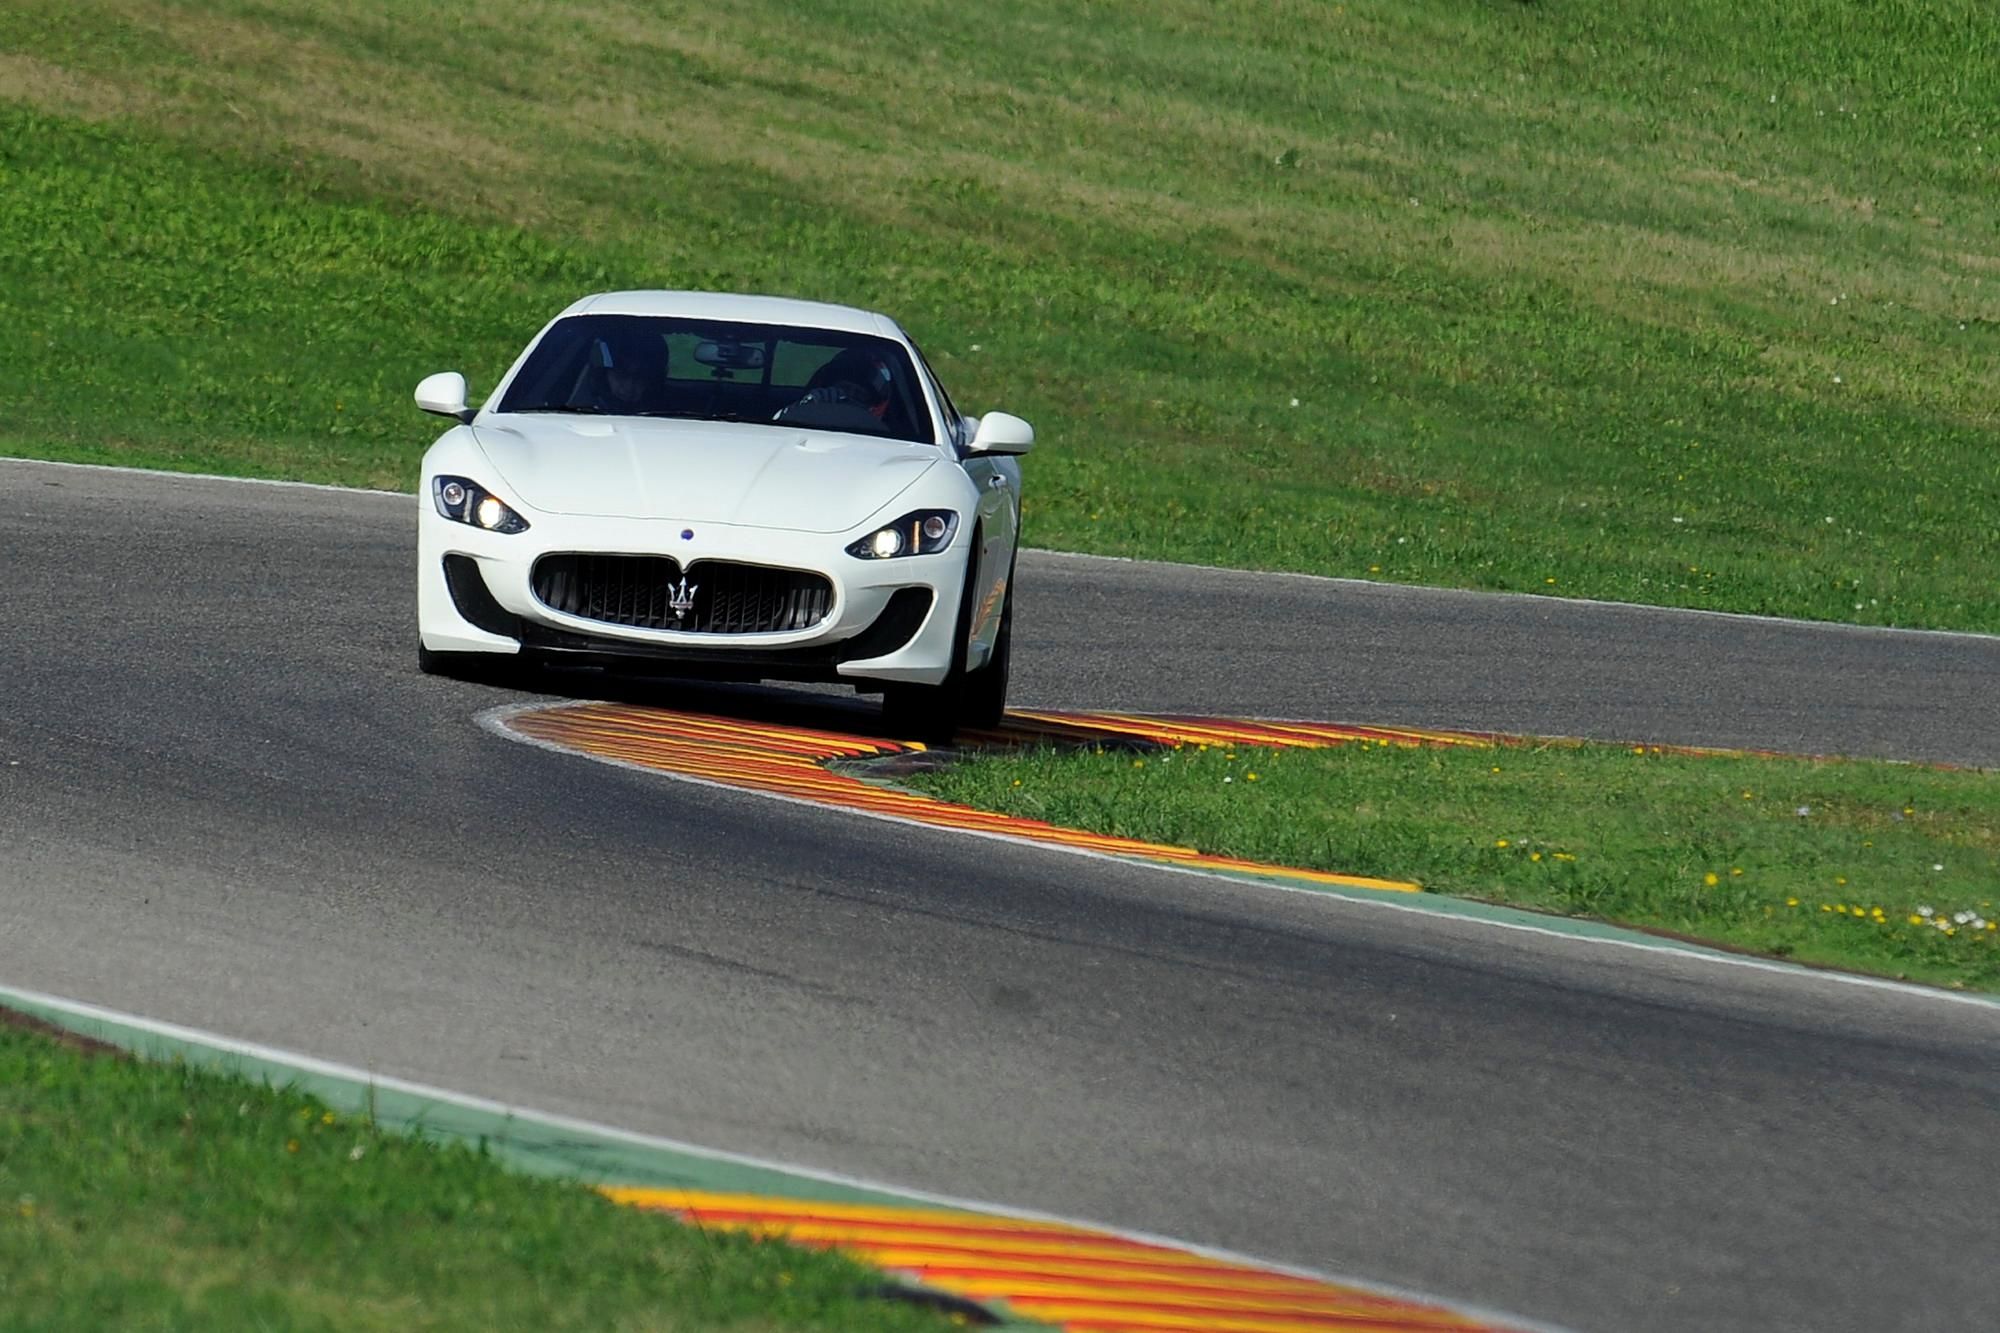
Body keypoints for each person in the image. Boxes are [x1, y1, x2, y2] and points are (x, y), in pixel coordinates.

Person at [589, 331, 669, 412]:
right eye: (621, 375)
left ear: (652, 381)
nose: (629, 387)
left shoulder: (667, 413)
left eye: (639, 377)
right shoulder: (584, 405)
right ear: (604, 374)